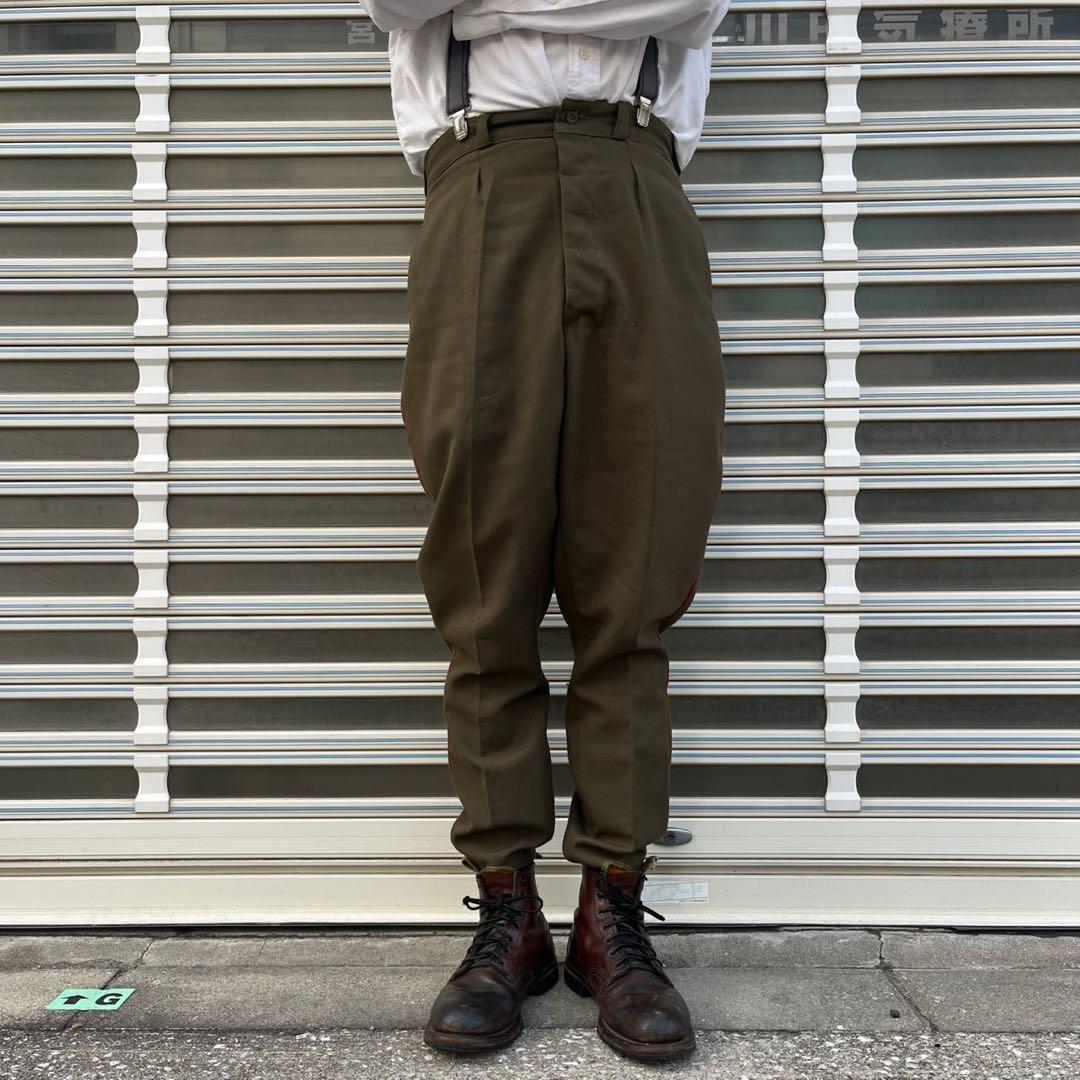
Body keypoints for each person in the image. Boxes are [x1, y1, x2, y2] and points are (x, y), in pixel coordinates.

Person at [363, 0, 729, 1063]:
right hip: (482, 184)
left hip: (638, 184)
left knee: (638, 580)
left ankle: (612, 914)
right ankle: (507, 918)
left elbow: (691, 6)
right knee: (486, 589)